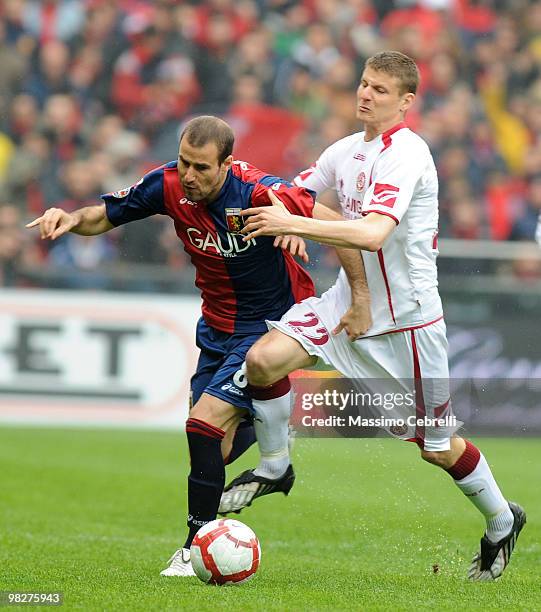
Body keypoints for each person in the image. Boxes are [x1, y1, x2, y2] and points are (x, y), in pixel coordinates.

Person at [218, 53, 526, 582]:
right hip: (345, 302)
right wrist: (290, 213)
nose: (365, 94)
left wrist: (299, 222)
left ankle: (501, 518)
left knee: (436, 448)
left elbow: (373, 233)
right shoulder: (344, 149)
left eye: (380, 90)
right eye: (363, 84)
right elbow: (297, 194)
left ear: (406, 102)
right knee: (264, 361)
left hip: (406, 324)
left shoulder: (406, 154)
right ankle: (275, 465)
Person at [26, 115, 371, 576]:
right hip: (215, 328)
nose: (190, 175)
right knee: (216, 450)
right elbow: (102, 217)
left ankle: (193, 548)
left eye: (202, 168)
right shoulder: (167, 184)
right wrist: (70, 219)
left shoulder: (257, 191)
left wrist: (344, 278)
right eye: (185, 162)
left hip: (269, 323)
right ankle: (266, 423)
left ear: (227, 164)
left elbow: (339, 226)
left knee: (202, 424)